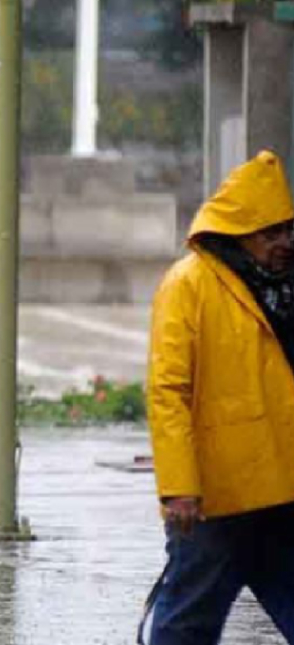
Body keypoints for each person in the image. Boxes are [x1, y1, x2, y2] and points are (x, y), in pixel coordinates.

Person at [145, 150, 294, 644]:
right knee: (187, 623)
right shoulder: (188, 285)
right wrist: (179, 488)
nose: (284, 243)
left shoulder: (280, 288)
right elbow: (168, 391)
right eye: (271, 233)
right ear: (240, 232)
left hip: (280, 491)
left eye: (288, 230)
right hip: (216, 499)